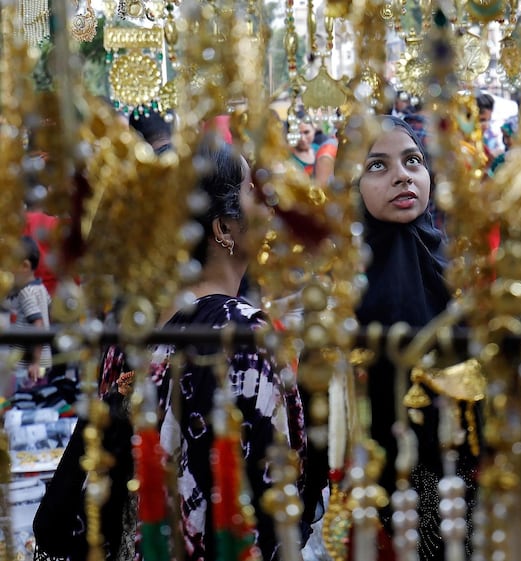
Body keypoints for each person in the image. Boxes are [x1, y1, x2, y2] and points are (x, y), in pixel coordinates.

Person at [34, 139, 319, 561]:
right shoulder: (241, 334)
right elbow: (272, 507)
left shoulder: (132, 327)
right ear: (222, 228)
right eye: (252, 189)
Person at [356, 116, 480, 561]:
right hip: (377, 483)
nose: (402, 175)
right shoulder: (340, 281)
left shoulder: (449, 261)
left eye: (413, 161)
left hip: (455, 474)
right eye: (378, 166)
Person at [4, 236, 52, 390]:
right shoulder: (40, 288)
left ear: (25, 266)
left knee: (25, 402)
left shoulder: (26, 293)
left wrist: (35, 363)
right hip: (44, 360)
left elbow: (38, 325)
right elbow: (48, 310)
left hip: (29, 366)